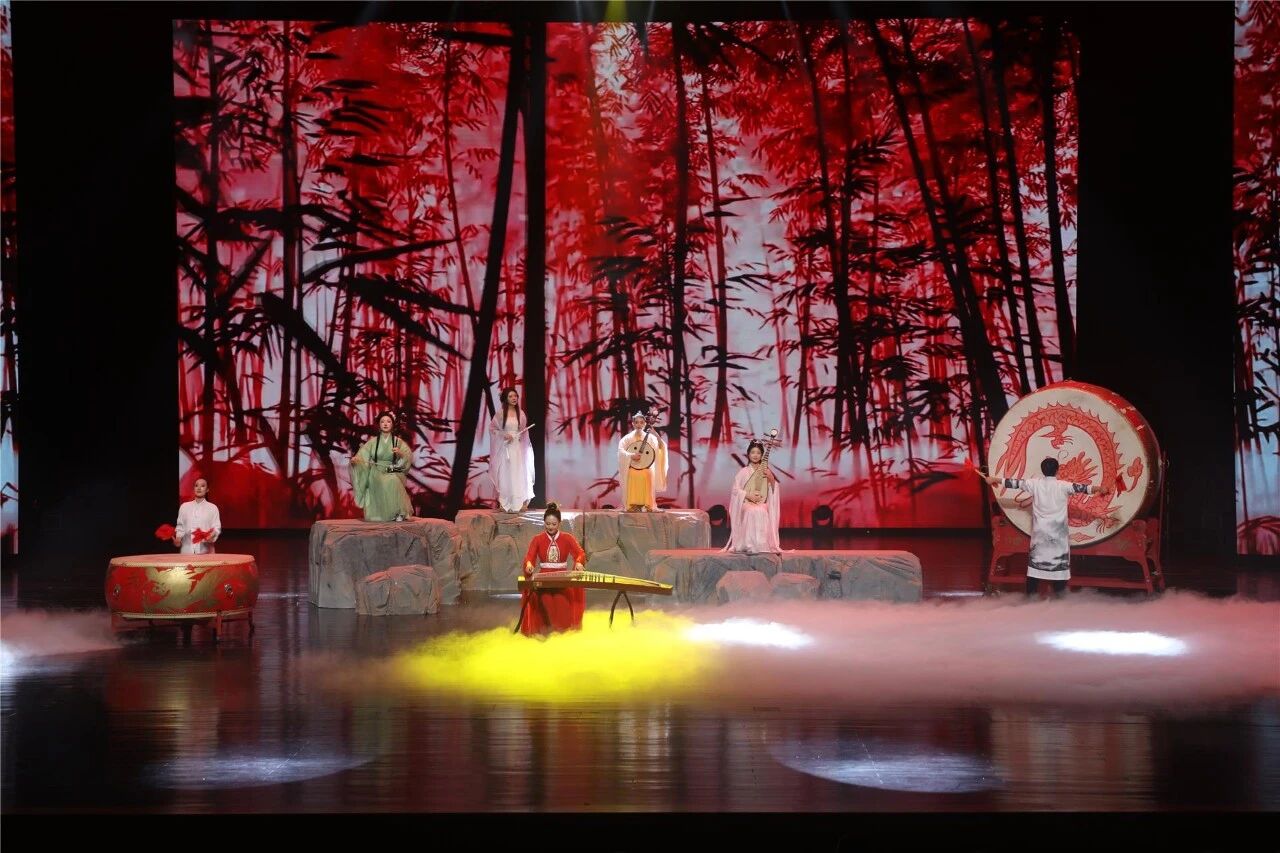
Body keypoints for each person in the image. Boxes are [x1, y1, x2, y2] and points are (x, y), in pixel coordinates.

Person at [981, 457, 1112, 598]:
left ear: (1042, 470)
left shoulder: (1034, 484)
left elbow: (1014, 483)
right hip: (1058, 537)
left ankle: (1030, 599)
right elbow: (1084, 488)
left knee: (1035, 569)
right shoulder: (1063, 485)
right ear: (1057, 470)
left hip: (1040, 536)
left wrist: (994, 479)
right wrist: (1100, 489)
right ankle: (1059, 599)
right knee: (1059, 569)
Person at [518, 502, 587, 636]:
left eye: (554, 524)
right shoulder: (537, 539)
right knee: (546, 600)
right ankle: (545, 635)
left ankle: (562, 636)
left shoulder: (567, 538)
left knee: (562, 601)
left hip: (562, 579)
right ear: (544, 522)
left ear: (559, 523)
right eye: (547, 524)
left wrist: (579, 562)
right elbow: (529, 557)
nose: (550, 527)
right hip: (544, 579)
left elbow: (580, 553)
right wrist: (529, 565)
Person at [350, 411, 415, 522]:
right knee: (379, 480)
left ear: (392, 424)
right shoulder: (373, 442)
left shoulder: (398, 442)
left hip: (391, 469)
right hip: (376, 471)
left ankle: (398, 513)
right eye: (382, 421)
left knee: (393, 480)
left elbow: (408, 456)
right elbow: (362, 455)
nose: (385, 424)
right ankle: (380, 514)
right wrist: (356, 460)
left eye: (388, 421)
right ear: (379, 425)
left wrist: (401, 454)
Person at [724, 440, 782, 554]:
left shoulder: (766, 471)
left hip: (761, 503)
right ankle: (748, 544)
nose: (755, 455)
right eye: (753, 452)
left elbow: (773, 489)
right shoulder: (743, 472)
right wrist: (748, 495)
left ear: (762, 455)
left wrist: (771, 478)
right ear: (748, 454)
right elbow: (735, 490)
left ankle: (761, 544)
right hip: (746, 503)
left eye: (758, 453)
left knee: (761, 510)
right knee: (752, 511)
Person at [488, 387, 534, 513]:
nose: (514, 398)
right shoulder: (500, 414)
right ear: (505, 399)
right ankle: (505, 502)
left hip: (517, 448)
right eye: (510, 396)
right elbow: (492, 429)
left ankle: (519, 502)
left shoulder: (521, 413)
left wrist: (520, 437)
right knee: (506, 473)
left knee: (518, 473)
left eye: (515, 396)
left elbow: (524, 431)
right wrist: (504, 435)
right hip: (506, 448)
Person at [616, 411, 667, 512]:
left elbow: (661, 447)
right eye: (637, 422)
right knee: (632, 474)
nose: (639, 425)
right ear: (633, 424)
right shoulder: (627, 438)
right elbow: (621, 451)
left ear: (645, 424)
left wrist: (655, 433)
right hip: (632, 469)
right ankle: (632, 505)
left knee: (648, 473)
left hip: (646, 469)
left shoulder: (650, 437)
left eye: (641, 422)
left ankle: (648, 505)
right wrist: (631, 455)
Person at [173, 477, 221, 555]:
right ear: (194, 488)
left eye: (202, 486)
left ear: (207, 489)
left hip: (206, 551)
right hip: (187, 551)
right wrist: (178, 539)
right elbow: (180, 527)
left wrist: (211, 536)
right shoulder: (184, 507)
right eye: (196, 485)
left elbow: (216, 528)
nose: (199, 488)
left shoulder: (213, 508)